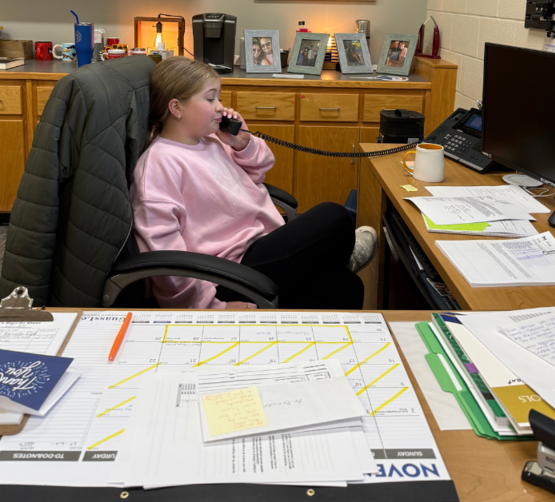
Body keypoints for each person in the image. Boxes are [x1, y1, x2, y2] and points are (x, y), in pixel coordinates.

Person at [131, 57, 377, 311]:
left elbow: (259, 171)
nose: (220, 108)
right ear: (176, 107)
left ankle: (333, 262)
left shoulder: (211, 141)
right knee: (334, 217)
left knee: (346, 286)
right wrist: (213, 307)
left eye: (219, 98)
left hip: (259, 243)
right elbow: (165, 256)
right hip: (225, 271)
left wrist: (240, 142)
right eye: (210, 98)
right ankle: (339, 254)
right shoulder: (160, 165)